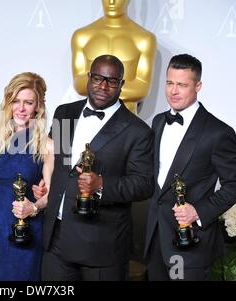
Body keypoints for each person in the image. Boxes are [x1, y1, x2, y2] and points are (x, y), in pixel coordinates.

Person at [41, 54, 154, 281]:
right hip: (57, 238)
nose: (103, 86)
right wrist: (47, 184)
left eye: (112, 81)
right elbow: (60, 162)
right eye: (98, 78)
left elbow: (144, 184)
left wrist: (102, 185)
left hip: (103, 244)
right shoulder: (64, 113)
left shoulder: (138, 131)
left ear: (121, 85)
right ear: (88, 77)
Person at [144, 54, 236, 281]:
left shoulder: (218, 132)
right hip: (155, 238)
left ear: (198, 86)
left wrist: (198, 211)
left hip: (190, 244)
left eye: (182, 84)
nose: (174, 91)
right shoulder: (158, 122)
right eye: (170, 83)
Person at [0, 72, 54, 281]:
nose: (20, 108)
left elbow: (52, 193)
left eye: (28, 102)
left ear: (38, 106)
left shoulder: (46, 145)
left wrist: (35, 207)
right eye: (16, 101)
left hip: (27, 230)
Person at [71, 0, 156, 114]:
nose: (111, 2)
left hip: (128, 122)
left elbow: (142, 89)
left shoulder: (144, 39)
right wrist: (115, 87)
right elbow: (79, 85)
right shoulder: (82, 36)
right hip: (88, 119)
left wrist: (98, 87)